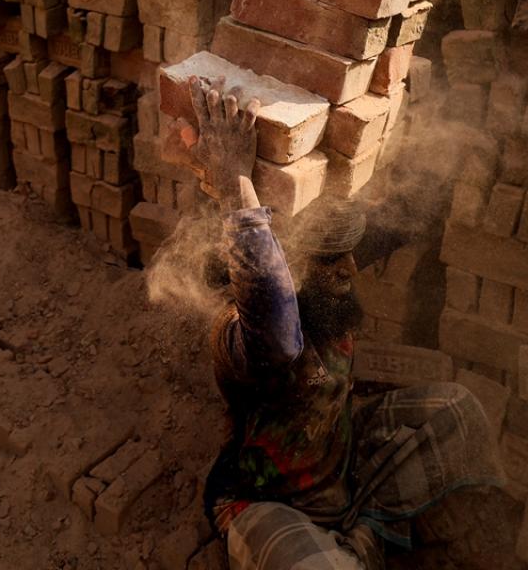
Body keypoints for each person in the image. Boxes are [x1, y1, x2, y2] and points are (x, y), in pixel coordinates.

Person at [184, 75, 504, 569]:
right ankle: (349, 548)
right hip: (268, 502)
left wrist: (457, 128)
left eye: (349, 253)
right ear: (290, 264)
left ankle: (365, 533)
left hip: (343, 464)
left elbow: (406, 214)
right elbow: (278, 331)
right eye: (333, 259)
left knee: (457, 410)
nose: (351, 269)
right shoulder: (237, 329)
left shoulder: (325, 282)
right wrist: (235, 186)